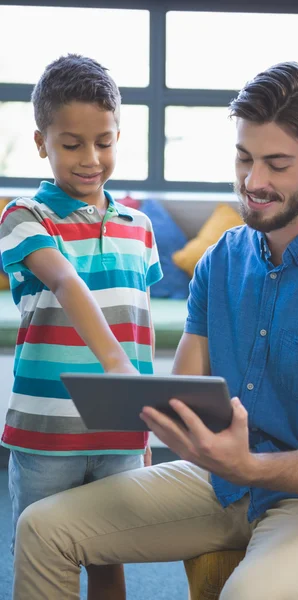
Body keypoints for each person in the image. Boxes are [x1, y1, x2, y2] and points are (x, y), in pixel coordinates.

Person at [12, 61, 298, 600]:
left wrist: (248, 463)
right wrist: (158, 418)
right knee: (43, 527)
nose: (253, 182)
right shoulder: (221, 260)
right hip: (223, 482)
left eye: (277, 164)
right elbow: (185, 392)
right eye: (244, 158)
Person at [0, 54, 162, 599]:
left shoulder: (139, 228)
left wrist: (144, 420)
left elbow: (140, 324)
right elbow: (67, 283)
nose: (90, 159)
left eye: (104, 141)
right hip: (48, 435)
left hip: (120, 433)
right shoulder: (24, 216)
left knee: (109, 562)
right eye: (71, 144)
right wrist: (114, 363)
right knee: (44, 561)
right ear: (43, 142)